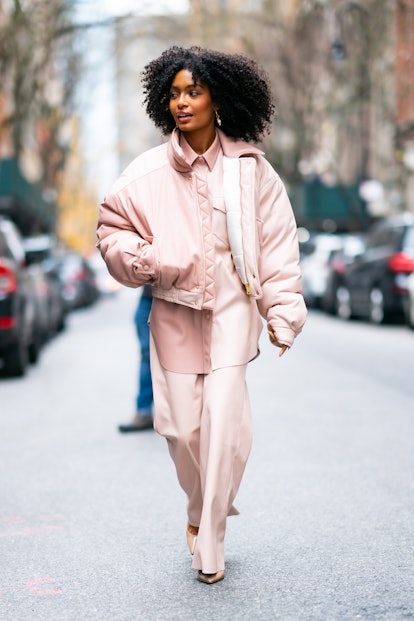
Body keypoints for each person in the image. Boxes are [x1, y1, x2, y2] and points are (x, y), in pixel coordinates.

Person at [97, 46, 307, 584]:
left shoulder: (251, 170)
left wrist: (281, 308)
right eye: (174, 93)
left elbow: (277, 244)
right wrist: (146, 259)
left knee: (224, 426)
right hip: (174, 312)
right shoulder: (143, 174)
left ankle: (210, 541)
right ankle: (198, 510)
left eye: (194, 91)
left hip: (234, 312)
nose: (183, 102)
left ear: (219, 98)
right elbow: (110, 230)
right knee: (181, 431)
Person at [118, 284, 153, 432]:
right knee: (148, 354)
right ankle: (145, 411)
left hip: (168, 292)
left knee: (150, 354)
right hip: (150, 293)